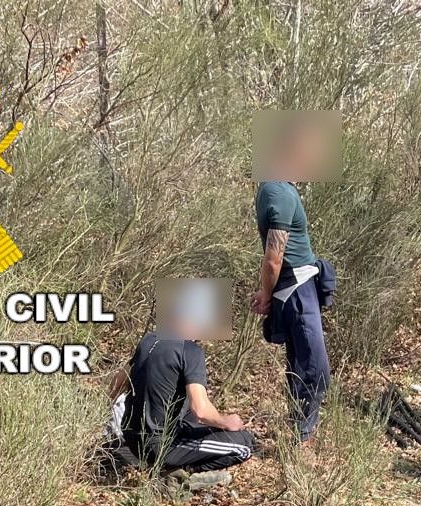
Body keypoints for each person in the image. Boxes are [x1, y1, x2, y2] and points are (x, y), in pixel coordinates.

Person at [251, 117, 334, 442]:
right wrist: (266, 293)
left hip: (299, 287)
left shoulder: (275, 188)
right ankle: (303, 436)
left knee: (303, 364)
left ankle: (301, 433)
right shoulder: (278, 192)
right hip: (296, 289)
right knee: (315, 368)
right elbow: (274, 256)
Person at [109, 288, 253, 473]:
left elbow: (118, 382)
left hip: (131, 439)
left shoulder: (148, 341)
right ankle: (179, 475)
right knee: (244, 444)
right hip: (160, 447)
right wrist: (227, 422)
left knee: (189, 417)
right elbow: (201, 410)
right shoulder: (190, 351)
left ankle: (169, 465)